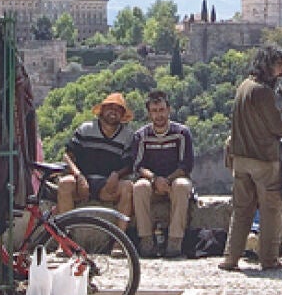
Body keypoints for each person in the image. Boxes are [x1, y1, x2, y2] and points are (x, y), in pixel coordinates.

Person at [219, 44, 282, 272]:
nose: (281, 72)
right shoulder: (263, 92)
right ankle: (269, 259)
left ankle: (231, 257)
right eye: (278, 66)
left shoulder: (243, 87)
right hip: (263, 159)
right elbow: (277, 127)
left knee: (242, 210)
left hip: (240, 159)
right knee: (271, 209)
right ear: (268, 65)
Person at [58, 92, 135, 231]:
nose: (113, 112)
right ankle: (65, 236)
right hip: (82, 182)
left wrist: (117, 175)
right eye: (110, 108)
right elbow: (67, 156)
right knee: (64, 184)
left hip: (108, 185)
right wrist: (78, 176)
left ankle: (119, 239)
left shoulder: (127, 136)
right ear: (102, 110)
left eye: (118, 109)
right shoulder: (86, 129)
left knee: (128, 187)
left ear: (123, 115)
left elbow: (129, 164)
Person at [132, 90, 195, 258]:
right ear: (149, 113)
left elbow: (186, 165)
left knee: (182, 185)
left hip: (174, 180)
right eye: (154, 111)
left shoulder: (181, 133)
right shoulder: (141, 136)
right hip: (152, 182)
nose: (158, 115)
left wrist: (167, 180)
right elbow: (137, 166)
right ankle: (146, 240)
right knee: (139, 187)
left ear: (169, 110)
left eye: (161, 110)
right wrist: (154, 179)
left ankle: (175, 242)